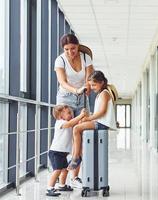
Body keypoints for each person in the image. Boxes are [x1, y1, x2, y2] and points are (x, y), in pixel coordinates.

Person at [54, 33, 94, 188]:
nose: (71, 52)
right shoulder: (60, 60)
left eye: (73, 48)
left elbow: (88, 79)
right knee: (66, 136)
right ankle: (60, 174)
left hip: (82, 97)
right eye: (67, 49)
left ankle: (75, 177)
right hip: (65, 98)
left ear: (78, 46)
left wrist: (88, 87)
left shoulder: (86, 58)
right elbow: (62, 82)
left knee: (81, 134)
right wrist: (76, 90)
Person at [68, 71, 117, 169]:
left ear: (101, 82)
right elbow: (100, 112)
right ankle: (78, 153)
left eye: (94, 85)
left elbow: (102, 112)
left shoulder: (104, 93)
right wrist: (88, 116)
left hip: (102, 124)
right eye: (91, 85)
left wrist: (88, 118)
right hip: (100, 122)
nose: (92, 87)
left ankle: (76, 157)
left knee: (76, 129)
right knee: (79, 124)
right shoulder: (101, 93)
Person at [46, 105, 87, 196]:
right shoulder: (60, 123)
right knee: (57, 170)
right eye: (68, 113)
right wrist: (80, 116)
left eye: (71, 113)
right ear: (61, 116)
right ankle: (49, 188)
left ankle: (62, 185)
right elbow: (70, 124)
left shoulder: (68, 123)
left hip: (63, 153)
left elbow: (74, 124)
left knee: (65, 170)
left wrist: (83, 117)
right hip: (55, 152)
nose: (71, 115)